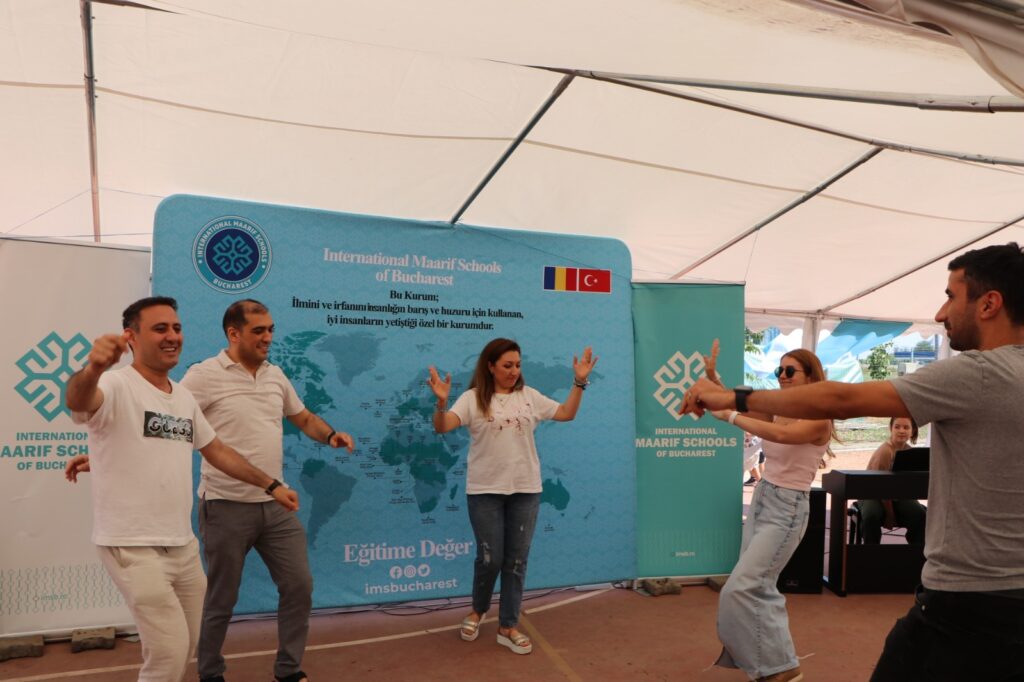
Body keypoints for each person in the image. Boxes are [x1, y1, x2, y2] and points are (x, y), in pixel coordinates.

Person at [682, 242, 1024, 682]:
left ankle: (779, 667)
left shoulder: (979, 373)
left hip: (969, 601)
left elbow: (842, 400)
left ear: (989, 304)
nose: (940, 314)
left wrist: (731, 399)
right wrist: (726, 394)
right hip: (994, 598)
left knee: (749, 587)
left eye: (950, 296)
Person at [64, 296, 299, 682]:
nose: (172, 336)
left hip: (182, 546)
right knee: (168, 654)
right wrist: (93, 368)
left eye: (176, 327)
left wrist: (271, 485)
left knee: (187, 644)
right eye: (160, 329)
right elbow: (79, 400)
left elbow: (217, 450)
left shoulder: (183, 396)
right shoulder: (114, 383)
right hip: (133, 545)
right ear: (131, 337)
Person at [181, 300, 355, 682]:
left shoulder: (275, 375)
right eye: (259, 330)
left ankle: (288, 671)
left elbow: (302, 417)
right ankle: (210, 673)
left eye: (271, 329)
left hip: (276, 506)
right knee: (222, 598)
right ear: (233, 333)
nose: (268, 337)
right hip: (225, 507)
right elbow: (170, 420)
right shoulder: (203, 376)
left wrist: (330, 436)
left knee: (299, 586)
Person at [426, 339, 597, 655]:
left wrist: (579, 382)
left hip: (525, 490)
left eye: (517, 365)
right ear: (490, 366)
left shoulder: (529, 396)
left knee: (516, 561)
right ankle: (478, 610)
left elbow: (566, 413)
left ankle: (508, 626)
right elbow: (443, 426)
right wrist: (440, 403)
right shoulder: (472, 398)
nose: (514, 371)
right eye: (507, 365)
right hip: (484, 492)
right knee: (490, 559)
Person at [703, 349, 834, 682]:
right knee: (754, 588)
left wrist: (730, 418)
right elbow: (736, 403)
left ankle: (782, 667)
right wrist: (715, 379)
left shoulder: (820, 416)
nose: (782, 376)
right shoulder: (780, 408)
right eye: (779, 371)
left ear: (810, 375)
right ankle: (774, 667)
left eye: (790, 371)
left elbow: (781, 435)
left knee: (743, 588)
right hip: (764, 499)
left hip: (787, 508)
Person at [858, 417, 926, 545]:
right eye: (897, 427)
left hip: (896, 495)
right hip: (871, 494)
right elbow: (881, 487)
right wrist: (890, 514)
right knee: (872, 516)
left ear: (912, 431)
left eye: (906, 427)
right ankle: (870, 551)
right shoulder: (885, 451)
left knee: (919, 514)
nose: (901, 431)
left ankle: (917, 552)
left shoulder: (909, 451)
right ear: (891, 429)